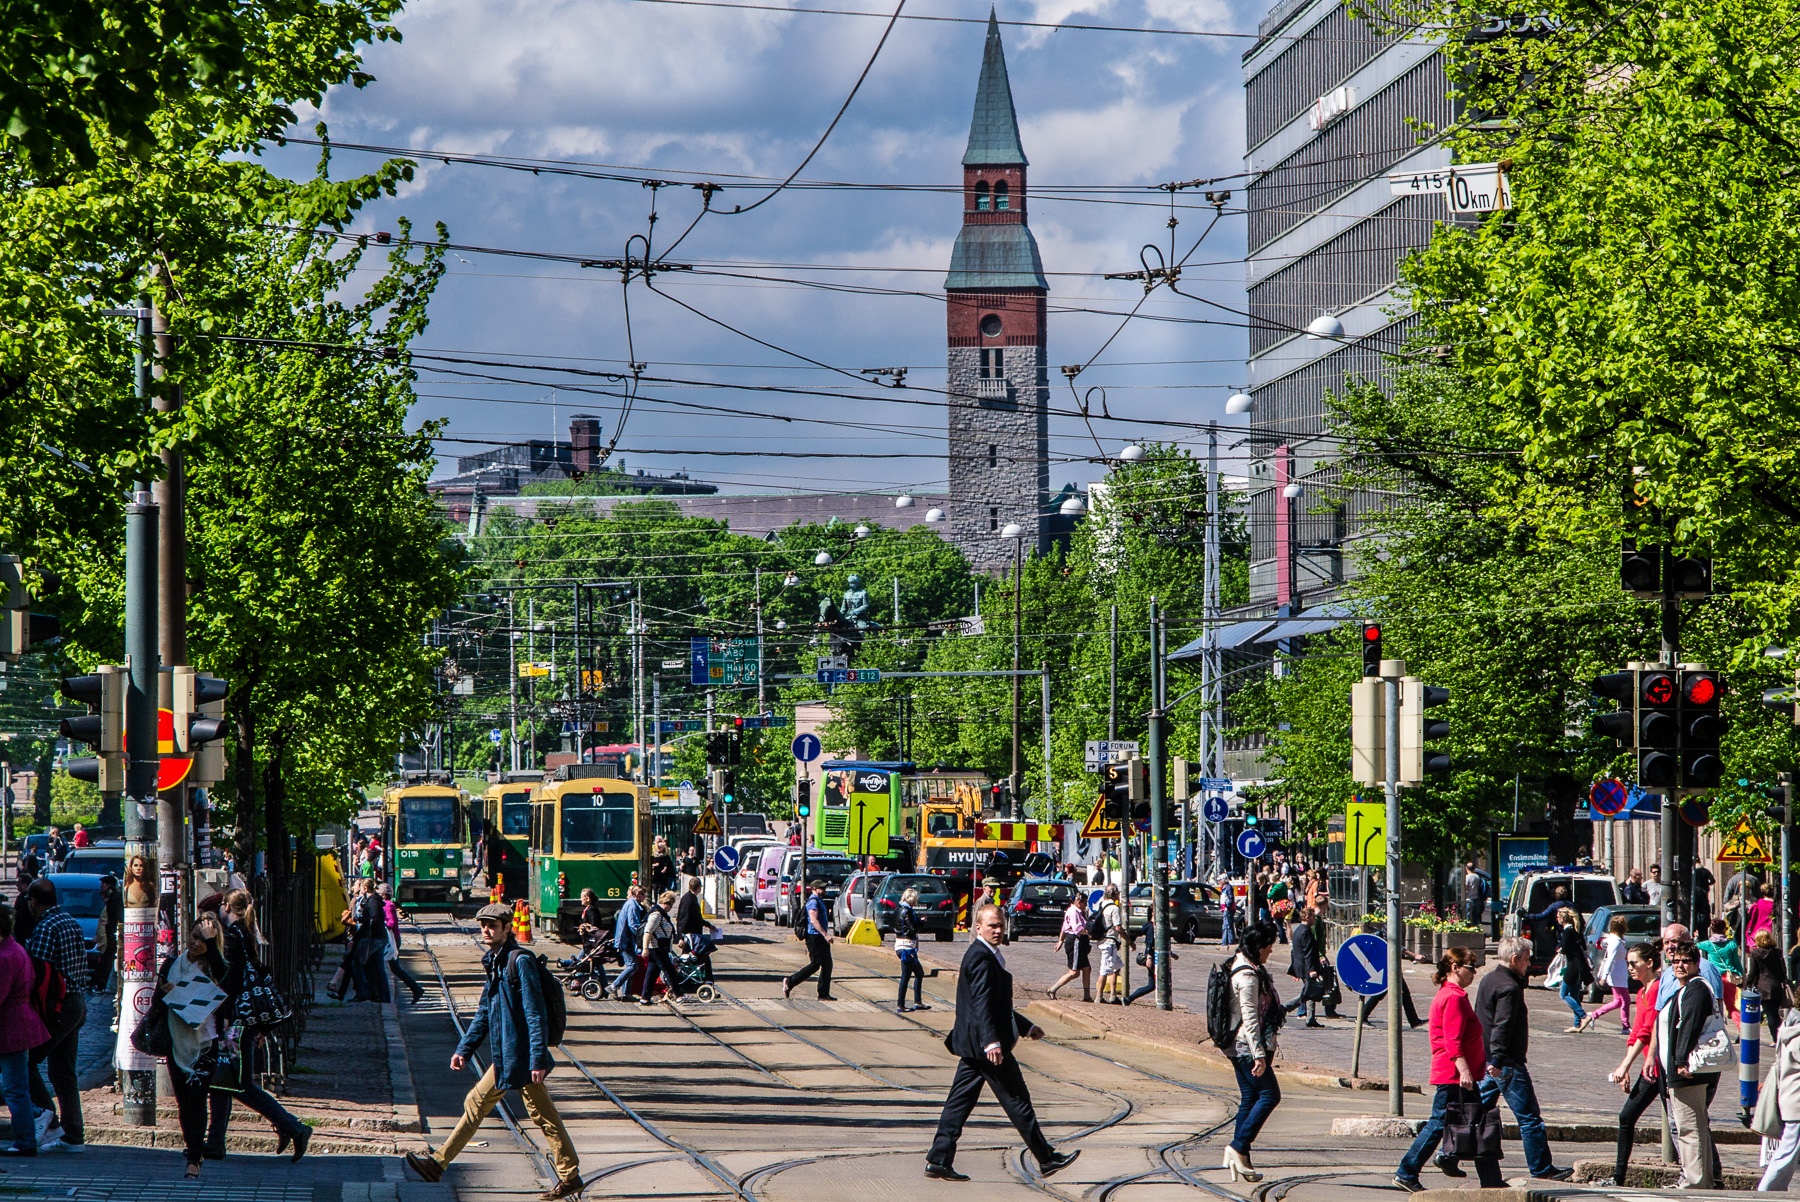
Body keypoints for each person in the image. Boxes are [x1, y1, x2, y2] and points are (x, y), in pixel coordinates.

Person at [403, 903, 582, 1199]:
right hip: (507, 1054)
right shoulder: (495, 961)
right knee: (478, 1102)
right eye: (483, 925)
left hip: (522, 1055)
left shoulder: (519, 961)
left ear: (507, 928)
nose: (486, 930)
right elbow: (484, 1012)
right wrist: (464, 1048)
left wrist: (537, 1058)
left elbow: (535, 1013)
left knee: (542, 1116)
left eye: (492, 925)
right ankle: (437, 1164)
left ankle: (570, 1174)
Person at [923, 904, 1078, 1182]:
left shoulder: (986, 954)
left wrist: (1025, 1026)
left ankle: (939, 1159)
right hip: (986, 1048)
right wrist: (991, 1042)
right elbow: (982, 1004)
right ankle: (1046, 1158)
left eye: (1001, 926)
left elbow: (997, 1005)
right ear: (978, 927)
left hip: (975, 1046)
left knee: (959, 1103)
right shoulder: (981, 957)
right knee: (1017, 1100)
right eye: (992, 926)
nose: (998, 930)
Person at [1393, 947, 1503, 1192]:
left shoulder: (1451, 994)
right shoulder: (1453, 997)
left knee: (1478, 1122)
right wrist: (1464, 1070)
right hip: (1454, 1075)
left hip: (1460, 1074)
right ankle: (1407, 1172)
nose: (1474, 973)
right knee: (1439, 1123)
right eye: (1470, 967)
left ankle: (1489, 1178)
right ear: (1455, 968)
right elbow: (1452, 1041)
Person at [215, 889, 310, 1160]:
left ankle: (294, 1127)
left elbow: (232, 981)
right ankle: (215, 1141)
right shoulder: (245, 934)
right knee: (222, 1080)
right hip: (246, 1019)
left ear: (226, 907)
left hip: (237, 1019)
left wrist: (225, 1017)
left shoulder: (232, 936)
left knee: (238, 1082)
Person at [1470, 936, 1570, 1180]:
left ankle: (1452, 1154)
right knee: (1529, 1119)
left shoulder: (1489, 979)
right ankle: (1541, 1168)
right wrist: (1498, 1059)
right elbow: (1502, 1026)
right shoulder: (1510, 987)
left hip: (1487, 1060)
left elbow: (1481, 1019)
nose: (1529, 964)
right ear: (1514, 959)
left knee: (1477, 1113)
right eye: (1526, 960)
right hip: (1506, 1064)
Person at [163, 916, 231, 1179]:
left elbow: (225, 978)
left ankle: (194, 1158)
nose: (196, 943)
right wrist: (166, 991)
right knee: (183, 1102)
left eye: (203, 939)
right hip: (176, 1041)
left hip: (204, 1043)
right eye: (194, 936)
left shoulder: (215, 966)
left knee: (197, 1099)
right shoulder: (173, 964)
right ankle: (193, 1147)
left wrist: (212, 944)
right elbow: (158, 1003)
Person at [23, 877, 86, 1152]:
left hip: (58, 1006)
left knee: (27, 1061)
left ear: (33, 902)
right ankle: (73, 1134)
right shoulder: (70, 921)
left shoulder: (46, 927)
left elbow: (37, 972)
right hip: (77, 1002)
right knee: (63, 1071)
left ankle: (49, 1121)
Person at [1220, 922, 1282, 1182]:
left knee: (1249, 1097)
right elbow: (1250, 1019)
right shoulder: (1247, 976)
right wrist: (1259, 1055)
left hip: (1241, 1045)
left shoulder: (1246, 965)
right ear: (1258, 947)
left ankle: (1241, 1155)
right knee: (1270, 1095)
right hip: (1246, 1046)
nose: (1271, 951)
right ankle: (1238, 1146)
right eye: (1269, 946)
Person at [1660, 939, 1719, 1188]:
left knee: (1689, 1127)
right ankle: (1702, 1180)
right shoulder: (1687, 989)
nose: (1680, 965)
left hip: (1688, 1070)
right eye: (1675, 961)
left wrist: (1681, 1061)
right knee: (1695, 1126)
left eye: (1686, 961)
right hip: (1686, 1068)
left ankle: (1694, 1182)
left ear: (1696, 964)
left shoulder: (1696, 989)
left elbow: (1689, 1026)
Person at [1606, 943, 1662, 1188]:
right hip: (1651, 1069)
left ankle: (1711, 1174)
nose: (1629, 968)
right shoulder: (1641, 993)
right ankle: (1618, 1176)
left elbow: (1647, 1031)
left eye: (1633, 963)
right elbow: (1637, 1031)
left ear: (1649, 963)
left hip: (1663, 1067)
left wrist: (1624, 1066)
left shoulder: (1657, 989)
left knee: (1681, 1124)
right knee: (1626, 1117)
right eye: (1627, 963)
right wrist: (1626, 1066)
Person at [0, 903, 48, 1157]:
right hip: (16, 1024)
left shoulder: (5, 956)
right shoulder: (14, 948)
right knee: (14, 1085)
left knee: (15, 1087)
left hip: (11, 1028)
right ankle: (34, 1117)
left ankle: (26, 1139)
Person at [1758, 1001, 1800, 1190]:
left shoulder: (1789, 1027)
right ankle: (1768, 1189)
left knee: (1789, 1148)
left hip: (1789, 1097)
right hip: (1796, 1102)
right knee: (1788, 1151)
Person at [782, 880, 836, 1001]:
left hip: (820, 937)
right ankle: (790, 982)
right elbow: (813, 920)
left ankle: (823, 994)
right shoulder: (813, 902)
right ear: (814, 889)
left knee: (827, 964)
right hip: (814, 937)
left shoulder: (819, 900)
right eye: (821, 888)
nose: (824, 890)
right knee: (815, 964)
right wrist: (825, 934)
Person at [1585, 914, 1632, 1034]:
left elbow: (1604, 943)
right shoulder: (1615, 941)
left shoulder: (1617, 939)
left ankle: (1594, 1015)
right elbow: (1610, 959)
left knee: (1618, 1001)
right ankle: (1625, 1026)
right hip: (1617, 973)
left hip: (1619, 972)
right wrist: (1604, 977)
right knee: (1625, 1000)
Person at [379, 883, 425, 1004]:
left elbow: (392, 922)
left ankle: (416, 989)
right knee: (394, 968)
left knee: (393, 968)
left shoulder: (388, 905)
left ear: (384, 895)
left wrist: (382, 924)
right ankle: (416, 989)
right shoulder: (386, 904)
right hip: (391, 938)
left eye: (379, 893)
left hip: (392, 939)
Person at [1744, 927, 1789, 1043]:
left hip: (1763, 987)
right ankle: (1781, 1037)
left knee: (1770, 1015)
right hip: (1777, 987)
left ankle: (1776, 1039)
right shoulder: (1777, 952)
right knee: (1775, 1014)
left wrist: (1748, 985)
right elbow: (1783, 970)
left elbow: (1753, 972)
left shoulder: (1755, 954)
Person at [1551, 906, 1591, 1031]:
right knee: (1574, 995)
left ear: (1563, 918)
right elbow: (1583, 946)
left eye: (1558, 916)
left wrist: (1560, 949)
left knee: (1563, 994)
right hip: (1580, 967)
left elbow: (1564, 949)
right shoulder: (1575, 930)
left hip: (1573, 967)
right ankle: (1577, 1024)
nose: (1557, 918)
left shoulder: (1567, 932)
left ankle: (1584, 1016)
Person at [1047, 892, 1091, 1002]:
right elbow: (1077, 929)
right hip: (1076, 941)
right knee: (1074, 972)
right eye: (1085, 903)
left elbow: (1064, 927)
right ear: (1079, 902)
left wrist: (1060, 941)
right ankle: (1052, 989)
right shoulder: (1073, 912)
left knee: (1087, 968)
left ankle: (1087, 996)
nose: (1086, 905)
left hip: (1080, 942)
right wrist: (1092, 933)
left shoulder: (1078, 911)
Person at [1285, 907, 1326, 1027]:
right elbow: (1308, 952)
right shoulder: (1305, 932)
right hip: (1306, 967)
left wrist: (1294, 969)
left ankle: (1311, 1018)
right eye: (1313, 917)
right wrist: (1311, 969)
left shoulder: (1298, 930)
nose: (1315, 919)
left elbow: (1294, 952)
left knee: (1310, 991)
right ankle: (1284, 1007)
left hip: (1301, 967)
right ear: (1307, 917)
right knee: (1307, 993)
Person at [639, 891, 678, 1005]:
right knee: (669, 970)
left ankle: (645, 998)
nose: (671, 908)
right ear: (666, 904)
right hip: (656, 948)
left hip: (659, 947)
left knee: (651, 973)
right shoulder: (656, 915)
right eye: (671, 905)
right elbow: (648, 931)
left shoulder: (661, 913)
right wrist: (645, 948)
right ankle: (679, 995)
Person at [609, 885, 646, 1001]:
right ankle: (614, 986)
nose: (644, 897)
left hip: (626, 939)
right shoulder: (632, 906)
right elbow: (633, 925)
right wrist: (643, 934)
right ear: (637, 895)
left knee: (631, 965)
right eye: (643, 894)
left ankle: (626, 993)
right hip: (625, 939)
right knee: (632, 965)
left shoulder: (632, 904)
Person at [894, 887, 927, 1013]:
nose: (916, 903)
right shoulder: (907, 911)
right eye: (915, 900)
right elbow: (912, 929)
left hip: (900, 945)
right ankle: (903, 1004)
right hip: (906, 947)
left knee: (909, 974)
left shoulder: (898, 909)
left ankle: (913, 1002)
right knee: (916, 974)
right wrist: (921, 923)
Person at [1095, 884, 1125, 1004]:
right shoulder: (1114, 908)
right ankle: (1099, 996)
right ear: (1114, 894)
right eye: (1117, 893)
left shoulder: (1102, 904)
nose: (1119, 895)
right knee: (1105, 970)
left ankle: (1113, 995)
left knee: (1116, 967)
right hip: (1109, 942)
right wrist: (1128, 940)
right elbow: (1118, 927)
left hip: (1103, 940)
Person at [91, 875, 121, 993]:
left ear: (108, 885)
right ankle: (100, 984)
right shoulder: (113, 898)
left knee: (107, 961)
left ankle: (102, 985)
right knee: (106, 961)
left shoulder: (114, 898)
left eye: (103, 884)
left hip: (110, 935)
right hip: (108, 934)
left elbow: (111, 919)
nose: (101, 886)